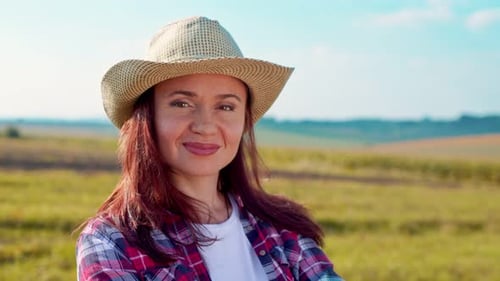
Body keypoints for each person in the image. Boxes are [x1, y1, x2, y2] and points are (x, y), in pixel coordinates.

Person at [76, 16, 343, 281]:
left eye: (226, 107)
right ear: (148, 117)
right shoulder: (112, 243)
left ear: (244, 122)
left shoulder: (284, 229)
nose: (205, 126)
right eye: (182, 103)